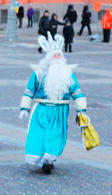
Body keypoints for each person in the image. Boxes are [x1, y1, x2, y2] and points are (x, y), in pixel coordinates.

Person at [20, 34, 89, 173]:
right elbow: (29, 90)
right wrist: (25, 107)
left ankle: (48, 160)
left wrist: (81, 109)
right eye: (54, 55)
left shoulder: (68, 73)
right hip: (41, 109)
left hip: (60, 111)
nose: (57, 58)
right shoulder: (39, 73)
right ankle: (38, 157)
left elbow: (76, 92)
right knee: (39, 133)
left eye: (59, 55)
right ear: (49, 57)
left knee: (55, 134)